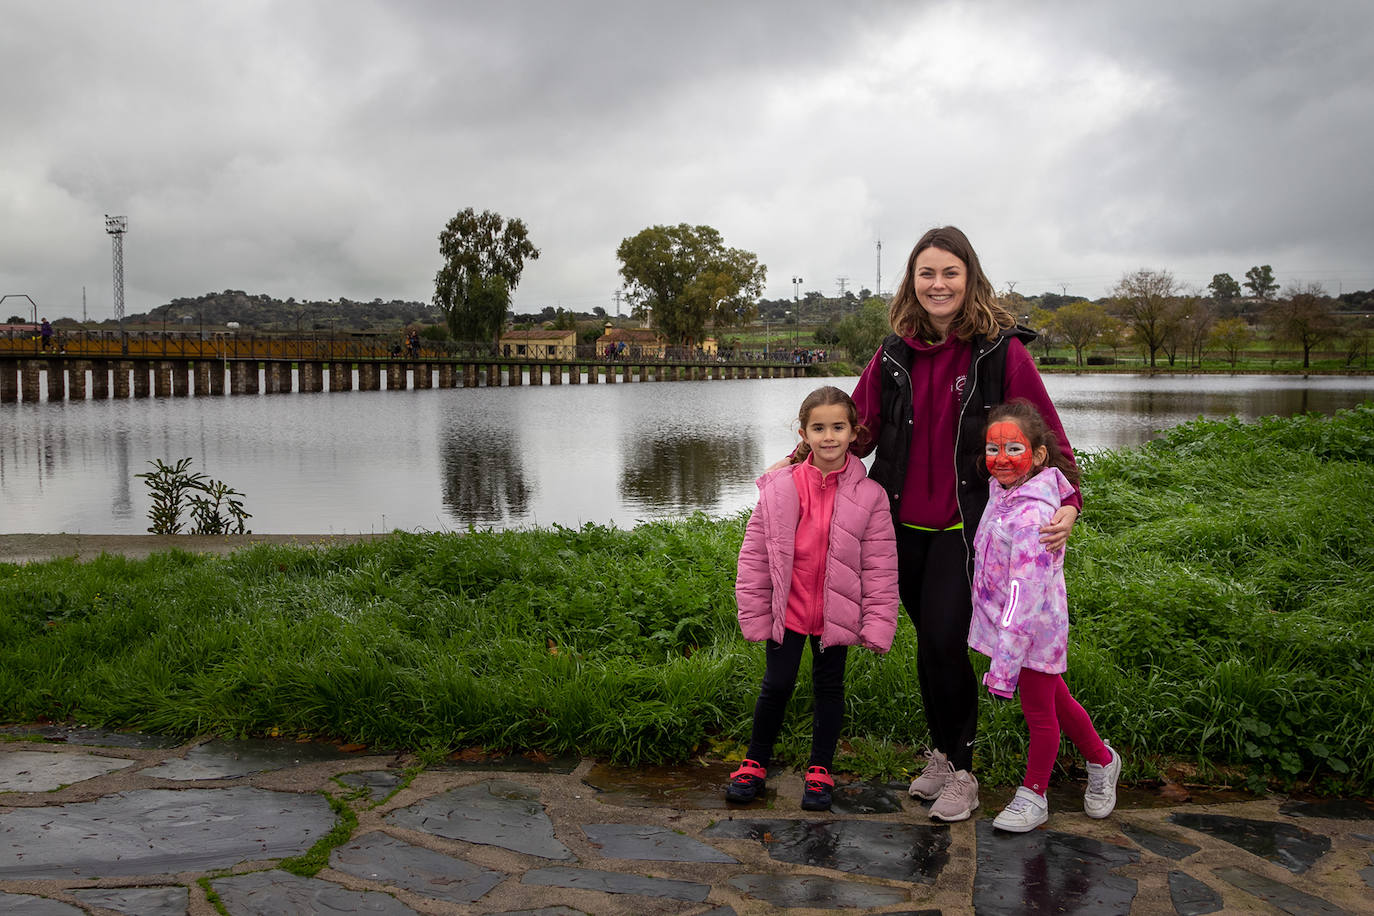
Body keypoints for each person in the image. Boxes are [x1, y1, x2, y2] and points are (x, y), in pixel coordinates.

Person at [850, 226, 1082, 822]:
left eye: (950, 272)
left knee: (943, 643)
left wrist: (1069, 501)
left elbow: (1046, 434)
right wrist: (804, 458)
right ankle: (942, 757)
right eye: (927, 273)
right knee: (931, 650)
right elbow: (859, 427)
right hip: (902, 527)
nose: (938, 284)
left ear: (970, 279)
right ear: (912, 282)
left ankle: (964, 772)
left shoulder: (1001, 352)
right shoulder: (892, 354)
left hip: (969, 528)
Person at [728, 386, 900, 811]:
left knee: (829, 688)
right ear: (802, 433)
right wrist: (754, 611)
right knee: (777, 685)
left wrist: (877, 623)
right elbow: (754, 556)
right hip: (787, 609)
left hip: (836, 612)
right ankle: (754, 762)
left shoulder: (870, 495)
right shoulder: (780, 488)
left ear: (855, 431)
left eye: (838, 427)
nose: (828, 437)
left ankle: (820, 769)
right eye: (818, 428)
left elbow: (880, 565)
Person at [969, 399, 1121, 831]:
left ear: (1037, 456)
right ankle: (1102, 759)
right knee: (1057, 697)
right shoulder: (1005, 492)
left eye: (1012, 449)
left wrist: (1003, 665)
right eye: (992, 449)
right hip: (1013, 628)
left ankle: (1034, 795)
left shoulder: (1034, 514)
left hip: (1031, 632)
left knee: (1040, 711)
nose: (1000, 459)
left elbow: (1023, 591)